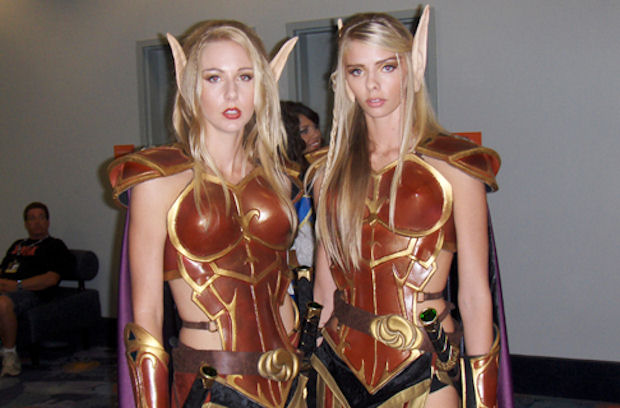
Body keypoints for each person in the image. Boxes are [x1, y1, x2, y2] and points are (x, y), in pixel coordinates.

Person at [310, 7, 508, 407]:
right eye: (357, 71)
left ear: (412, 68)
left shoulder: (455, 166)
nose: (372, 84)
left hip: (423, 357)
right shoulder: (328, 171)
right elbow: (325, 285)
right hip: (338, 361)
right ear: (343, 81)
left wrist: (482, 397)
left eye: (386, 67)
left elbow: (474, 294)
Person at [108, 21, 307, 408]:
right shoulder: (158, 181)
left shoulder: (280, 179)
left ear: (262, 86)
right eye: (214, 78)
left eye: (245, 77)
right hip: (212, 380)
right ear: (190, 86)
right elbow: (145, 315)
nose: (232, 93)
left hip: (288, 374)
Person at [0, 202, 74, 377]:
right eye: (32, 218)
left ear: (48, 222)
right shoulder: (17, 245)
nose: (37, 222)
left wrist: (18, 285)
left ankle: (10, 356)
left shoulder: (54, 245)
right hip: (6, 287)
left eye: (41, 217)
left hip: (31, 293)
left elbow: (51, 279)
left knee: (2, 303)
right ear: (26, 224)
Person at [281, 101, 323, 175]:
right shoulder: (285, 174)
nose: (317, 134)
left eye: (316, 127)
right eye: (304, 131)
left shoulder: (326, 161)